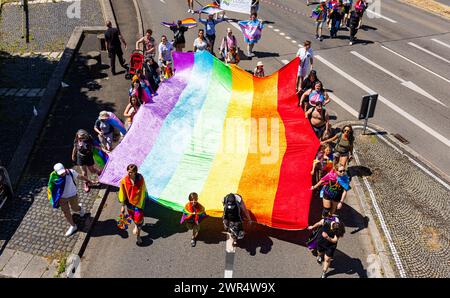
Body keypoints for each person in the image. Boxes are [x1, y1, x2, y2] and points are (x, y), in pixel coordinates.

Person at [48, 163, 92, 237]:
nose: (63, 174)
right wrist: (54, 198)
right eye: (60, 173)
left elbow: (80, 176)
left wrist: (88, 180)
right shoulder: (53, 177)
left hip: (72, 195)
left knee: (75, 208)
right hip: (62, 198)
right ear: (56, 172)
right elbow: (51, 187)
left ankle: (80, 208)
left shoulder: (71, 172)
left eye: (63, 172)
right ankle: (73, 226)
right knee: (66, 212)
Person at [118, 164, 148, 245]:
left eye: (131, 172)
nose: (129, 173)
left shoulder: (140, 178)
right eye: (128, 171)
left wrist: (143, 199)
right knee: (133, 217)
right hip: (129, 204)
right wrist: (122, 206)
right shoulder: (124, 181)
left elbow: (143, 189)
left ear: (135, 172)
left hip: (138, 205)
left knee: (139, 220)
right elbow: (123, 193)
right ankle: (136, 224)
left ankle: (138, 236)